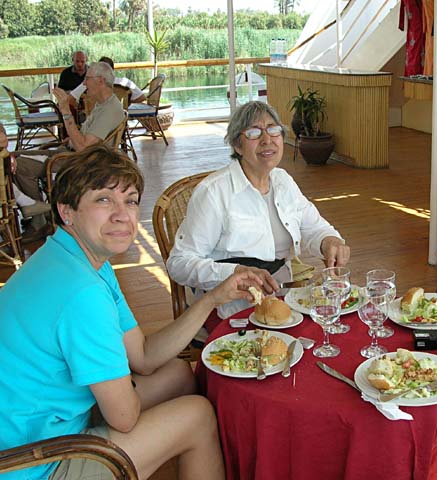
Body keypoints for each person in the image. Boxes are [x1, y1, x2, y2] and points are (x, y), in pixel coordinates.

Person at [0, 144, 262, 480]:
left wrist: (213, 298)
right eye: (103, 199)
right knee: (196, 416)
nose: (122, 215)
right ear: (67, 211)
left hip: (38, 421)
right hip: (31, 462)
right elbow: (123, 416)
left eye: (131, 200)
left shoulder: (76, 258)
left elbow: (142, 357)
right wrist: (123, 389)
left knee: (179, 375)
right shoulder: (82, 294)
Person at [167, 100, 351, 322]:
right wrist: (234, 274)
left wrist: (329, 241)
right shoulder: (214, 192)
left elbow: (314, 225)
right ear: (237, 145)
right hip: (230, 308)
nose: (267, 140)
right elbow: (179, 263)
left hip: (283, 297)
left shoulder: (283, 181)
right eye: (254, 133)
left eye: (273, 130)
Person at [13, 61, 126, 212]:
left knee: (17, 164)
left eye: (87, 78)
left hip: (80, 161)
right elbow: (86, 138)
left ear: (100, 81)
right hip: (69, 153)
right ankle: (34, 209)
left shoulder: (110, 109)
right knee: (11, 157)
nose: (84, 83)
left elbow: (83, 148)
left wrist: (66, 111)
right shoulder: (103, 104)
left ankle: (40, 216)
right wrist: (72, 138)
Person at [69, 56, 147, 106]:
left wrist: (82, 108)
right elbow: (142, 97)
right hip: (119, 123)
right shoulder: (124, 83)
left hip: (94, 122)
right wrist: (126, 104)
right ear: (112, 70)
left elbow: (70, 99)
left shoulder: (88, 84)